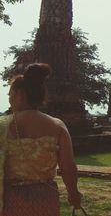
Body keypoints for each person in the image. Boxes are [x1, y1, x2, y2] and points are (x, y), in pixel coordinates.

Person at [0, 63, 81, 215]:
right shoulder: (56, 125)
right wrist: (73, 194)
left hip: (10, 199)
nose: (9, 99)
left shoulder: (2, 125)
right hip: (44, 198)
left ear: (19, 95)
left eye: (10, 94)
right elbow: (68, 168)